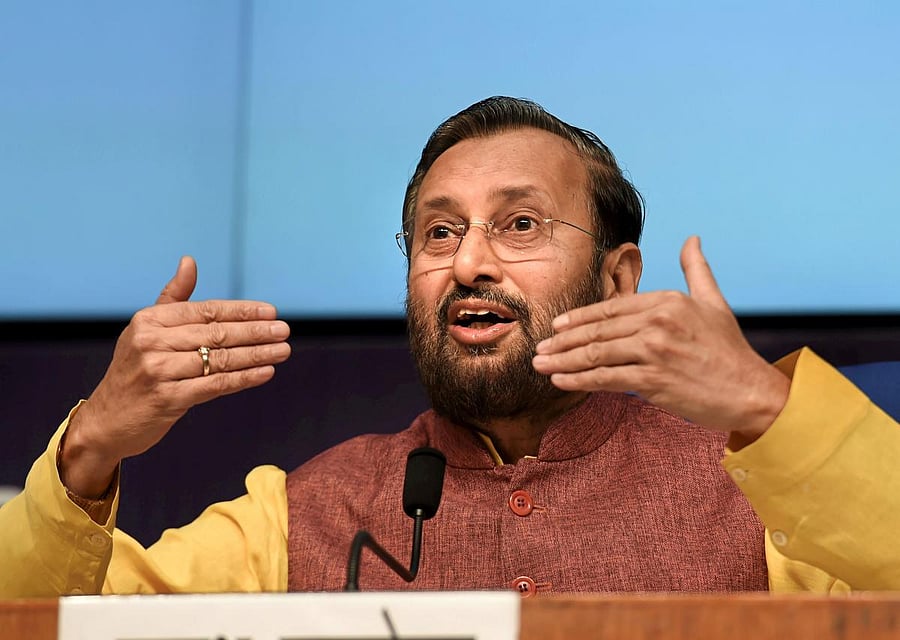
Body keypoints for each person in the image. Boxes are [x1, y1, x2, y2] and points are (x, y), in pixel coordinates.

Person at [2, 97, 899, 597]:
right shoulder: (300, 517)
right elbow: (34, 620)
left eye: (518, 224)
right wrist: (91, 448)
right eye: (438, 233)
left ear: (621, 278)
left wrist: (765, 410)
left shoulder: (753, 498)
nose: (468, 261)